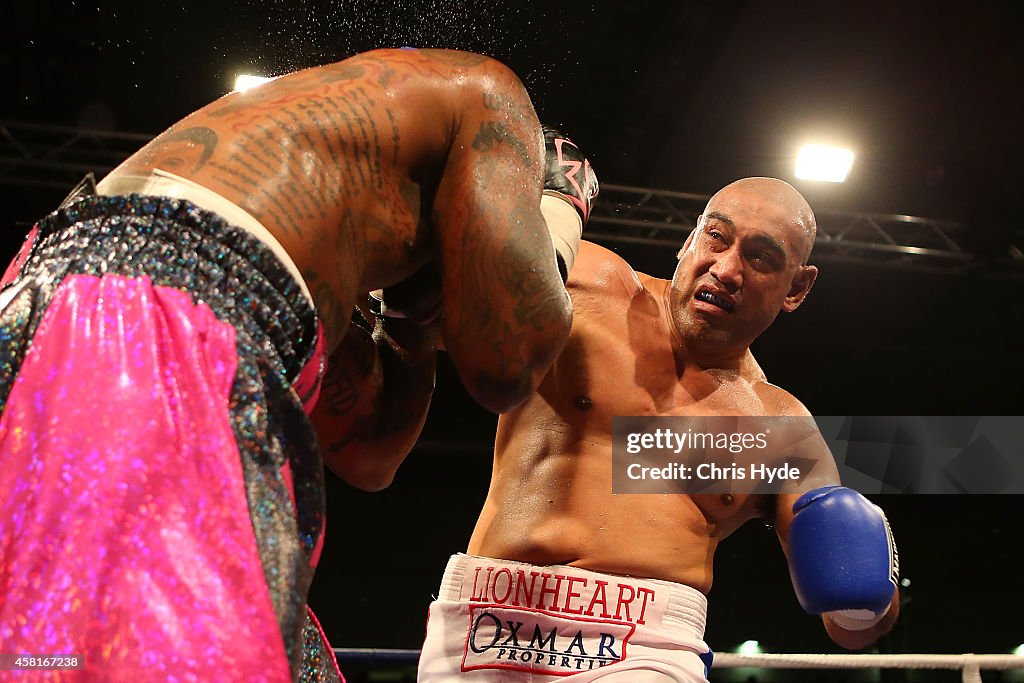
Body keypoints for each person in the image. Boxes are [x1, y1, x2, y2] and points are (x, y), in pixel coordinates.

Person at [0, 48, 596, 682]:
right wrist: (557, 222)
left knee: (280, 659)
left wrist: (411, 323)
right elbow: (508, 356)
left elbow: (368, 458)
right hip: (138, 316)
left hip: (97, 310)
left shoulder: (323, 230)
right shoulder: (490, 96)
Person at [415, 177, 900, 681]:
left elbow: (852, 629)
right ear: (687, 241)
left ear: (796, 288)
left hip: (643, 648)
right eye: (716, 237)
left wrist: (866, 589)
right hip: (485, 616)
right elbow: (420, 310)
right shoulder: (586, 283)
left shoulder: (780, 429)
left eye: (760, 257)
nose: (727, 268)